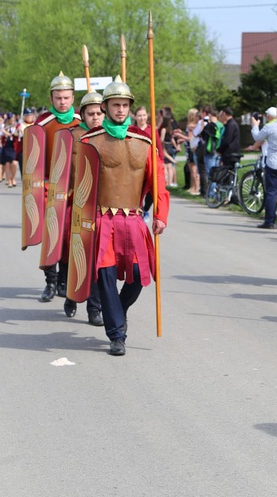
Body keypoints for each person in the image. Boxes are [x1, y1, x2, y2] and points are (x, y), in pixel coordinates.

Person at [80, 76, 170, 356]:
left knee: (137, 275)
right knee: (105, 276)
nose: (120, 109)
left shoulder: (144, 142)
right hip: (102, 219)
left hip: (133, 219)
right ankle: (117, 334)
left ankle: (118, 309)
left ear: (130, 107)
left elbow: (159, 184)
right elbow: (79, 185)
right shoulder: (90, 141)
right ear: (105, 107)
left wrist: (161, 215)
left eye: (125, 105)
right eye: (115, 104)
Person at [34, 71, 82, 303]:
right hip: (48, 188)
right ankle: (50, 282)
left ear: (73, 97)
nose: (62, 102)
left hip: (74, 191)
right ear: (51, 98)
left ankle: (63, 281)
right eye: (58, 98)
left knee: (68, 238)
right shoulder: (42, 124)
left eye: (66, 97)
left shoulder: (82, 122)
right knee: (50, 235)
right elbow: (31, 160)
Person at [66, 89, 106, 325]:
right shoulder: (72, 136)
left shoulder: (109, 138)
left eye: (99, 113)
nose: (95, 117)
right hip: (77, 205)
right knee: (77, 256)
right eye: (90, 113)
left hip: (102, 207)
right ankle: (72, 295)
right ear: (82, 114)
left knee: (98, 262)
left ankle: (95, 308)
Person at [249, 103, 277, 229]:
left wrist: (255, 126)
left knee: (271, 192)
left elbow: (257, 137)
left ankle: (269, 221)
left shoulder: (270, 126)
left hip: (273, 162)